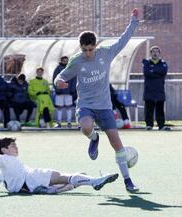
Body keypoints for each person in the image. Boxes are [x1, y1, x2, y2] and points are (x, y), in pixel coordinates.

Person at [54, 9, 140, 192]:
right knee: (85, 127)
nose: (87, 53)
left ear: (95, 45)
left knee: (117, 144)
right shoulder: (77, 61)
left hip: (104, 106)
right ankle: (94, 138)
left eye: (90, 49)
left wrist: (134, 21)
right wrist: (59, 82)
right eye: (84, 50)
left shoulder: (106, 53)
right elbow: (62, 75)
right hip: (86, 104)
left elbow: (123, 41)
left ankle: (128, 180)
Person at [0, 137, 119, 194]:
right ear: (4, 150)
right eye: (12, 145)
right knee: (64, 176)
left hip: (26, 187)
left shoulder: (7, 167)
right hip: (32, 177)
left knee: (65, 184)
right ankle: (94, 181)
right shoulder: (5, 159)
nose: (16, 148)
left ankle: (71, 184)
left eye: (16, 145)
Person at [142, 46, 170, 131]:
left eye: (157, 51)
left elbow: (163, 72)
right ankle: (149, 125)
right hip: (149, 89)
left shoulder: (163, 63)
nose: (155, 53)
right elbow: (147, 73)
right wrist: (156, 72)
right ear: (151, 53)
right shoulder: (147, 63)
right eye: (153, 51)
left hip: (159, 89)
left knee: (160, 108)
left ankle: (161, 125)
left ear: (159, 53)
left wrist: (153, 71)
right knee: (149, 108)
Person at [52, 56, 77, 128]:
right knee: (59, 107)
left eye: (66, 61)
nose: (65, 62)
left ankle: (69, 122)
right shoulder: (57, 69)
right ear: (61, 61)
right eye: (64, 61)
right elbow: (54, 79)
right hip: (59, 92)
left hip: (68, 92)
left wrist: (72, 90)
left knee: (69, 107)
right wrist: (57, 89)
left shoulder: (71, 68)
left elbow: (74, 79)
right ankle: (58, 122)